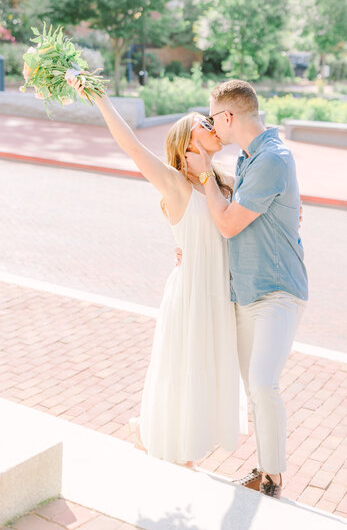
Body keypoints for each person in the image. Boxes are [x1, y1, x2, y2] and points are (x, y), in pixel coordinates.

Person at [66, 76, 242, 466]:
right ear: (187, 139)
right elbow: (131, 145)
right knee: (183, 372)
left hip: (217, 294)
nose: (214, 128)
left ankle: (167, 439)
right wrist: (99, 98)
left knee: (208, 372)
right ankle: (173, 448)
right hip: (190, 292)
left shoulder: (225, 185)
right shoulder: (175, 184)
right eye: (205, 123)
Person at [186, 79, 308, 498]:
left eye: (212, 117)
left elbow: (228, 223)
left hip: (277, 289)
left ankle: (273, 478)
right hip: (246, 293)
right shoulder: (248, 159)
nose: (211, 126)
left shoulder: (271, 158)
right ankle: (264, 471)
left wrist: (203, 176)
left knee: (262, 382)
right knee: (255, 388)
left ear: (229, 117)